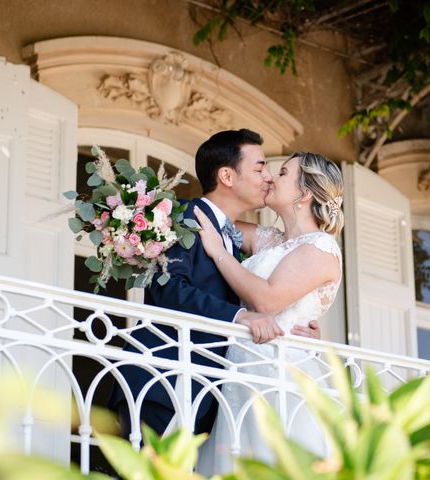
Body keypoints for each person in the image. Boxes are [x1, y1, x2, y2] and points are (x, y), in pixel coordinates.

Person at [108, 130, 321, 443]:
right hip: (161, 382)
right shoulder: (185, 217)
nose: (268, 177)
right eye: (260, 168)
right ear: (227, 176)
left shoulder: (230, 237)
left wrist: (297, 324)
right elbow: (167, 290)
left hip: (205, 391)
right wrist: (239, 317)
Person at [193, 151, 344, 475]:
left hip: (282, 373)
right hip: (241, 366)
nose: (272, 177)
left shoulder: (321, 248)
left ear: (304, 194)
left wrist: (220, 254)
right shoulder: (271, 240)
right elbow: (219, 218)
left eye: (284, 173)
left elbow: (267, 299)